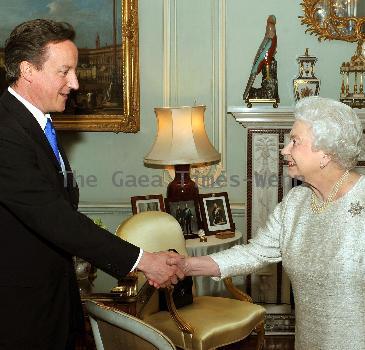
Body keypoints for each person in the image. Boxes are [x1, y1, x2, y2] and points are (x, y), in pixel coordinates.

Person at [0, 19, 182, 350]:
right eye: (64, 71)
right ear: (28, 70)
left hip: (52, 299)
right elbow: (55, 217)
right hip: (18, 313)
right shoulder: (4, 130)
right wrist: (144, 261)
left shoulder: (37, 124)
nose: (76, 82)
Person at [168, 96, 365, 350]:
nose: (284, 150)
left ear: (325, 153)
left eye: (295, 141)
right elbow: (254, 253)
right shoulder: (296, 202)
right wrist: (186, 265)